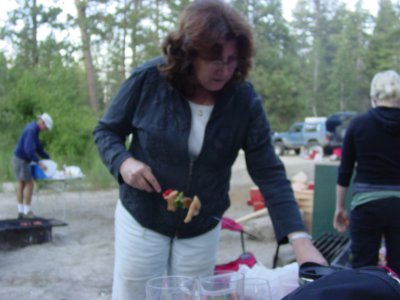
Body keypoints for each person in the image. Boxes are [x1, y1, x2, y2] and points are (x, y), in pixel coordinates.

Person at [93, 1, 327, 298]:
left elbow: (269, 172)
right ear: (188, 53)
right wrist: (124, 163)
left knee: (191, 295)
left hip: (202, 226)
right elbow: (106, 131)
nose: (225, 69)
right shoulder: (148, 80)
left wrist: (301, 241)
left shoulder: (244, 101)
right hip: (143, 215)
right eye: (214, 58)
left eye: (232, 59)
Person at [333, 70, 400, 274]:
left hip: (366, 207)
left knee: (364, 271)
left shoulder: (358, 124)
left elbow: (344, 172)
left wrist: (339, 207)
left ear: (373, 97)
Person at [12, 113, 53, 219]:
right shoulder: (32, 130)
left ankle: (21, 211)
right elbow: (29, 150)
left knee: (21, 183)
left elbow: (39, 148)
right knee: (29, 184)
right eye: (46, 127)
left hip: (17, 158)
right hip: (22, 160)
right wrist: (40, 162)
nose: (45, 130)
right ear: (42, 123)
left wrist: (48, 158)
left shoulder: (34, 129)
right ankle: (27, 211)